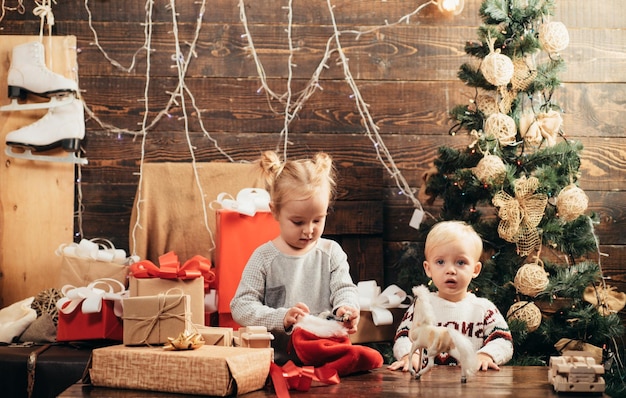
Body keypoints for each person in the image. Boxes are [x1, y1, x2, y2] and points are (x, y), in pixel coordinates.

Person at [230, 150, 360, 365]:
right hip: (277, 362)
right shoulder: (263, 257)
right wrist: (281, 317)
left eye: (317, 220)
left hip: (326, 359)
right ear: (275, 211)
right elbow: (241, 306)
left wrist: (346, 308)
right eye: (298, 222)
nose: (309, 230)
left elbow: (345, 289)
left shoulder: (331, 252)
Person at [388, 220, 513, 373]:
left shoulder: (483, 309)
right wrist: (409, 355)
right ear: (428, 269)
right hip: (427, 385)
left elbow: (503, 341)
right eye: (440, 262)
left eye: (460, 262)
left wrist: (486, 355)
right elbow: (404, 336)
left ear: (475, 269)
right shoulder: (422, 305)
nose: (450, 270)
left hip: (473, 387)